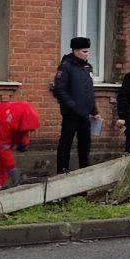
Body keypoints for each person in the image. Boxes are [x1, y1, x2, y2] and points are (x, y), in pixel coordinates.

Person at [53, 37, 97, 172]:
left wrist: (95, 111)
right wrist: (73, 105)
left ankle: (84, 173)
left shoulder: (87, 67)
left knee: (85, 145)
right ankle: (62, 171)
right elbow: (59, 90)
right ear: (76, 51)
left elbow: (89, 91)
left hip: (85, 114)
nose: (87, 54)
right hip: (71, 114)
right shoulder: (66, 66)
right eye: (84, 51)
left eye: (88, 51)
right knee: (66, 143)